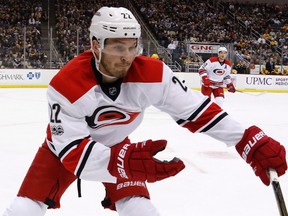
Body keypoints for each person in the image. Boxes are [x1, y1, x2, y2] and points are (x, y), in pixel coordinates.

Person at [3, 6, 287, 216]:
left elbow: (197, 111)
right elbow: (74, 155)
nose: (126, 55)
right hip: (62, 150)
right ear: (94, 45)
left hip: (116, 144)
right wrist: (125, 162)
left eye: (131, 46)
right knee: (24, 209)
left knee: (140, 208)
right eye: (116, 47)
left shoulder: (153, 74)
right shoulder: (66, 85)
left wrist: (246, 139)